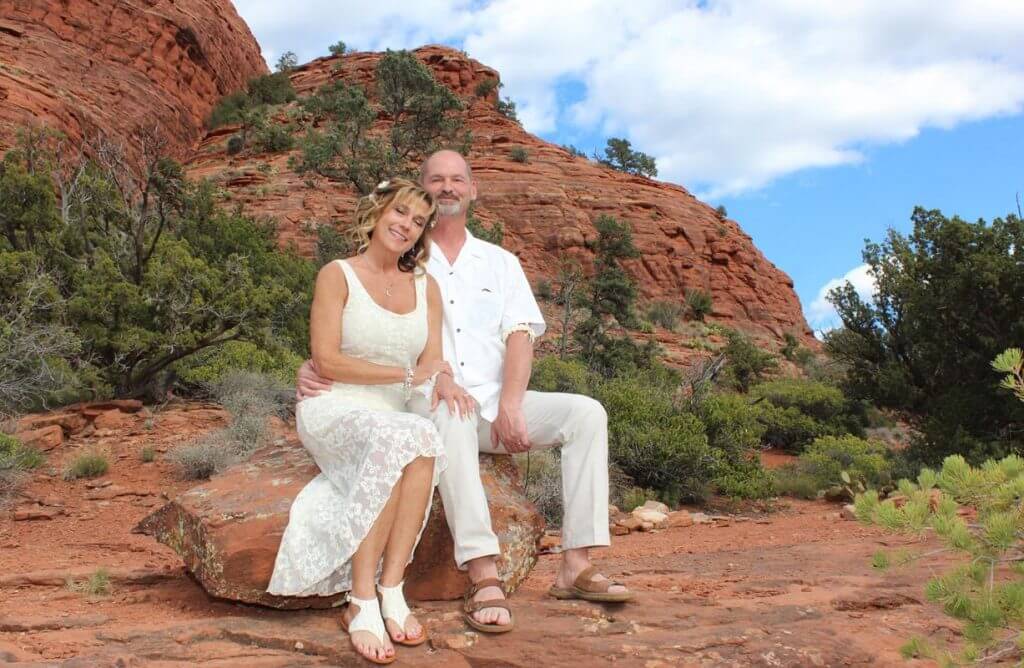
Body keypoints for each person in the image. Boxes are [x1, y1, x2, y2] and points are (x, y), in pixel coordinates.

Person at [297, 150, 632, 636]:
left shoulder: (500, 262)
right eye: (436, 180)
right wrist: (314, 367)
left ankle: (575, 565)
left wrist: (513, 404)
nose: (448, 187)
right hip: (430, 399)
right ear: (422, 194)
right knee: (449, 413)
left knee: (586, 414)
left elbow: (521, 333)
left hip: (497, 400)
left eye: (458, 179)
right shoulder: (405, 261)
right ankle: (483, 573)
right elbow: (361, 326)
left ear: (473, 190)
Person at [268, 178, 450, 665]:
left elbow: (433, 363)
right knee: (399, 438)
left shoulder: (425, 288)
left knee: (423, 438)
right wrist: (405, 374)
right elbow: (326, 361)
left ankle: (392, 588)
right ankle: (360, 599)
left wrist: (427, 380)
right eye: (401, 212)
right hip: (335, 404)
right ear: (377, 213)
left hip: (394, 409)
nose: (407, 226)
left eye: (418, 222)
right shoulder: (337, 274)